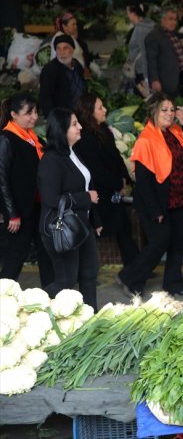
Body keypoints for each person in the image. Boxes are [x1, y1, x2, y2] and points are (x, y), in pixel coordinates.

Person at [116, 92, 183, 297]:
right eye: (164, 110)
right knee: (159, 243)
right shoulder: (146, 139)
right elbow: (144, 181)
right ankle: (130, 277)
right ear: (154, 111)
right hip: (155, 202)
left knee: (178, 242)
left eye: (172, 110)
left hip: (176, 199)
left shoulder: (175, 132)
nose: (169, 114)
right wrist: (155, 210)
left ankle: (172, 282)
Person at [37, 108, 101, 310]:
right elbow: (50, 198)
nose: (80, 126)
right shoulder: (51, 160)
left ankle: (91, 321)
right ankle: (33, 305)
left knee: (89, 274)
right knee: (66, 281)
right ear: (61, 129)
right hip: (61, 228)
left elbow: (85, 186)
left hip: (82, 225)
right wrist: (85, 198)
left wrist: (95, 219)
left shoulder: (73, 153)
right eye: (74, 124)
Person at [74, 94, 140, 268]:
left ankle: (135, 268)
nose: (105, 110)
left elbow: (116, 157)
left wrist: (124, 179)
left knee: (123, 229)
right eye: (100, 108)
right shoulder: (85, 138)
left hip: (112, 189)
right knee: (103, 229)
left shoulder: (103, 130)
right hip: (99, 192)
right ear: (89, 112)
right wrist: (118, 183)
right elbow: (95, 170)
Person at [0, 94, 53, 285]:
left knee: (46, 253)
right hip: (20, 211)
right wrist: (11, 213)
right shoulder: (6, 138)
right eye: (28, 113)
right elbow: (2, 179)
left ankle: (52, 295)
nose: (34, 117)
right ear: (13, 114)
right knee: (16, 257)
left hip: (39, 206)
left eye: (35, 112)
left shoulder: (34, 138)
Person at [39, 35, 87, 118]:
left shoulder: (77, 65)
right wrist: (51, 118)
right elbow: (45, 97)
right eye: (58, 48)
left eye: (65, 48)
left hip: (80, 113)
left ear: (72, 50)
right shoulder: (50, 70)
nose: (62, 52)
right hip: (63, 116)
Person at [145, 8, 183, 97]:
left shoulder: (173, 33)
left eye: (175, 19)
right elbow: (151, 61)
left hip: (176, 80)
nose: (174, 22)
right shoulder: (154, 36)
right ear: (162, 20)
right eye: (170, 19)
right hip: (164, 82)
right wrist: (154, 80)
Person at [50, 11, 93, 76]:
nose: (76, 27)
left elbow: (81, 53)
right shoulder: (60, 38)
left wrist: (85, 69)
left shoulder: (70, 37)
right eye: (73, 24)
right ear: (64, 26)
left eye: (76, 24)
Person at [125, 4, 155, 88]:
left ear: (133, 14)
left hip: (142, 68)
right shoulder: (151, 25)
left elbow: (134, 50)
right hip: (152, 66)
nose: (127, 15)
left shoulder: (138, 29)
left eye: (128, 12)